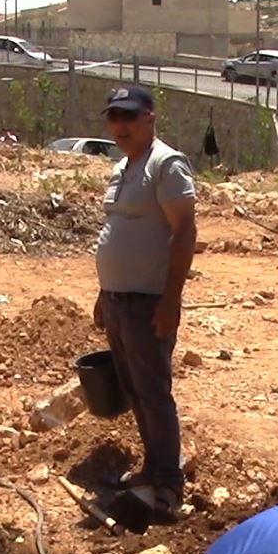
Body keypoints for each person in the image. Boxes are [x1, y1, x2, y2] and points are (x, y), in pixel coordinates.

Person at [93, 85, 196, 521]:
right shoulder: (122, 167)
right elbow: (118, 232)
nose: (121, 125)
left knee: (154, 393)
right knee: (135, 390)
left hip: (148, 300)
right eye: (114, 117)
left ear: (150, 118)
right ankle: (151, 469)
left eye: (129, 117)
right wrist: (103, 292)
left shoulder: (165, 164)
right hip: (118, 300)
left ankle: (169, 483)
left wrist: (172, 298)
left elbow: (185, 231)